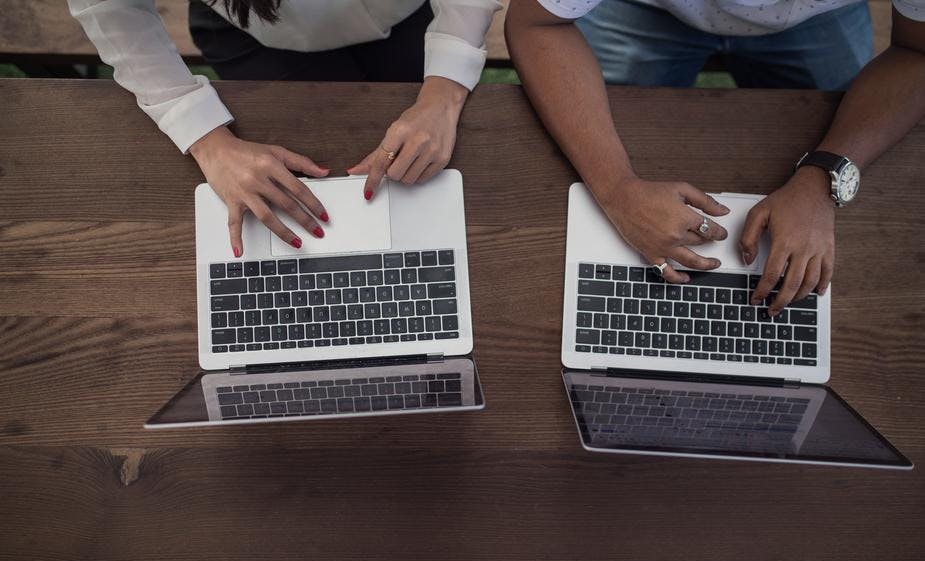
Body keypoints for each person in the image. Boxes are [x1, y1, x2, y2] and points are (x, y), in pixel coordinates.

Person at [505, 0, 925, 314]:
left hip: (816, 17)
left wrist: (826, 176)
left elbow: (916, 52)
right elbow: (537, 23)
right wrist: (616, 185)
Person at [69, 0, 500, 257]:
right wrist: (205, 138)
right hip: (259, 32)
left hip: (405, 14)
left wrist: (444, 90)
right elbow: (112, 8)